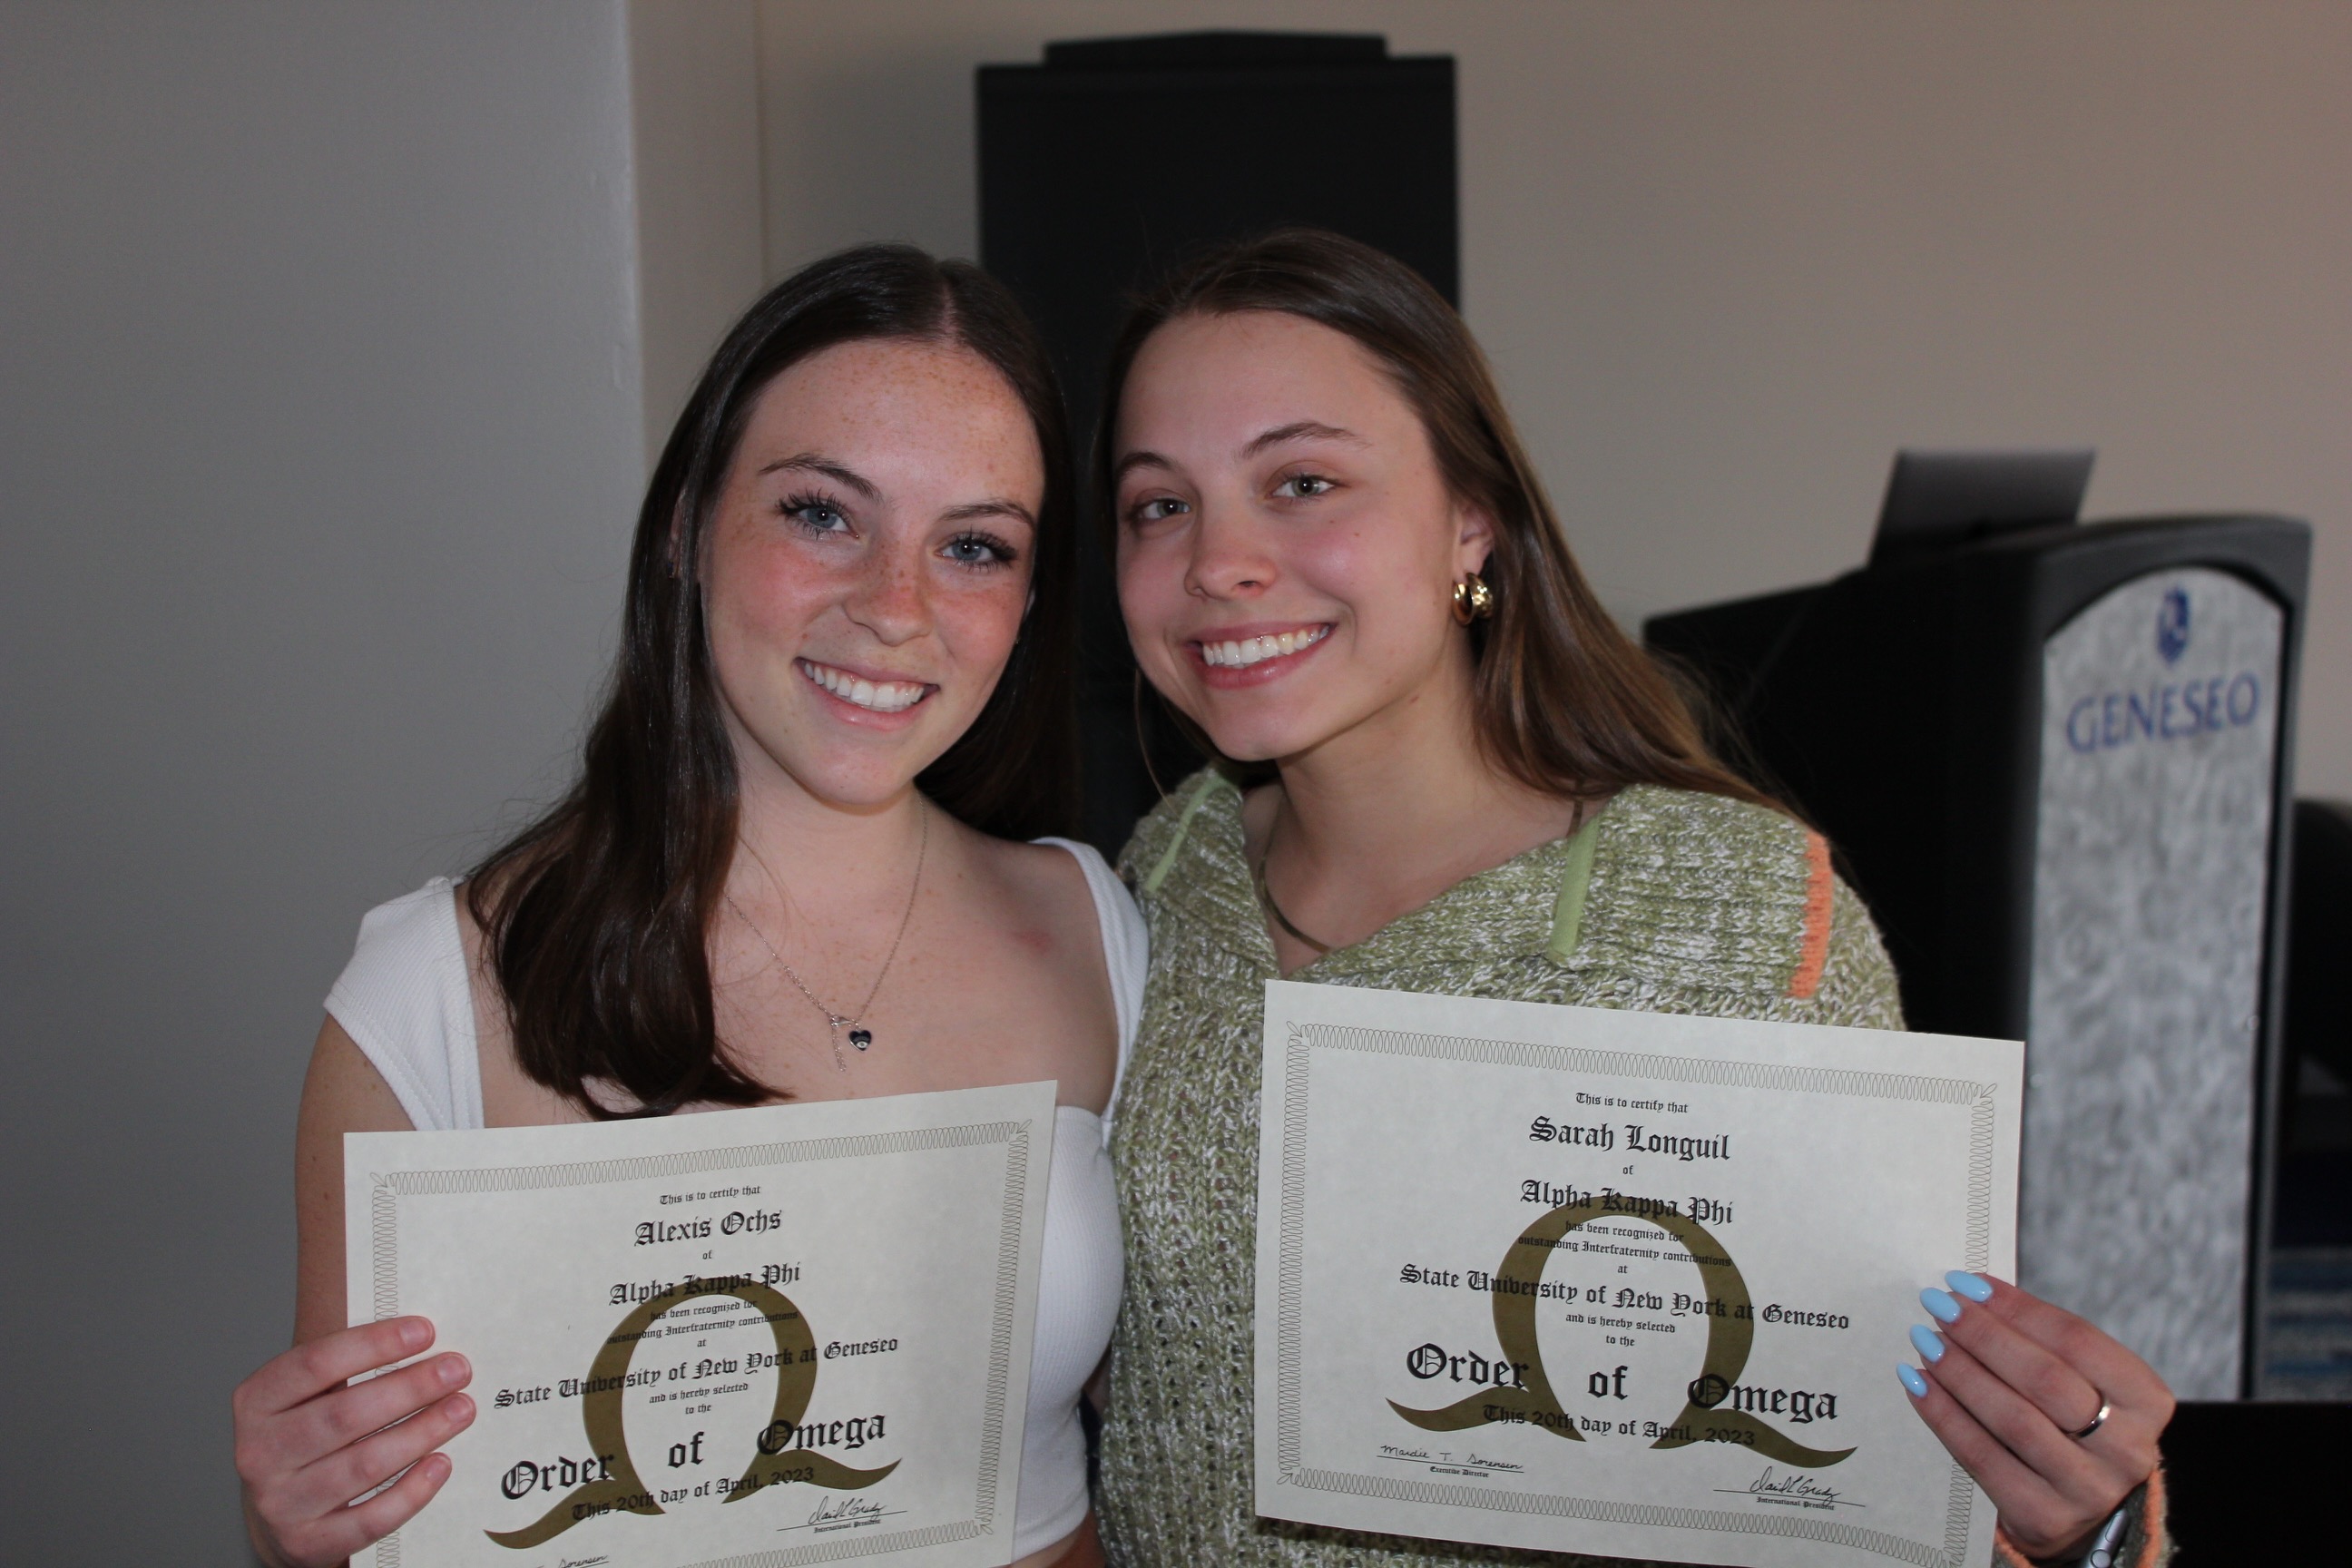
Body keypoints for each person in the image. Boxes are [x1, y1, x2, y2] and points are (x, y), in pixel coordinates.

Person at [1092, 230, 2172, 1568]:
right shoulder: (1157, 877)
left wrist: (2082, 1530)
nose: (1219, 561)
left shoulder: (1740, 915)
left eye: (1302, 481)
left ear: (1470, 523)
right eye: (1159, 504)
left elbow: (1857, 1470)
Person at [230, 245, 1142, 1568]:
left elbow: (1156, 1414)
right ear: (685, 529)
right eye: (823, 513)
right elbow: (375, 1521)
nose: (898, 608)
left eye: (974, 545)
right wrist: (302, 1520)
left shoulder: (1095, 932)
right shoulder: (436, 995)